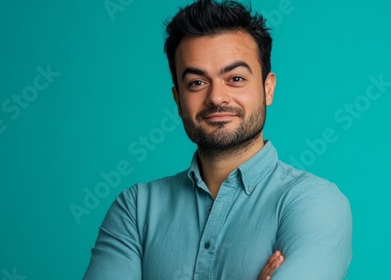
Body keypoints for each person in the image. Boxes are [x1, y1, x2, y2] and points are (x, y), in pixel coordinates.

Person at [83, 0, 352, 279]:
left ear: (267, 88)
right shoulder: (137, 209)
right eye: (197, 83)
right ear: (178, 100)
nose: (216, 97)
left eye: (235, 78)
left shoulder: (313, 203)